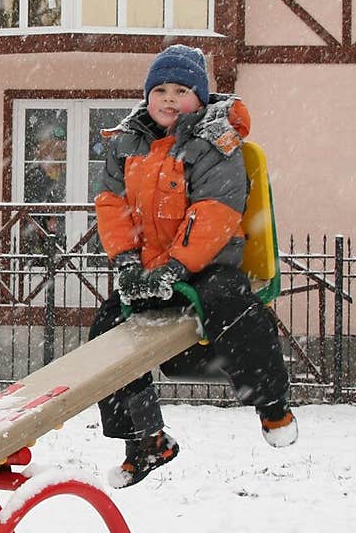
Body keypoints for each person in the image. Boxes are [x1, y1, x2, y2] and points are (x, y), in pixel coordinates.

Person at [88, 44, 298, 489]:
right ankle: (146, 440)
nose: (168, 99)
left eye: (180, 90)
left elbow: (214, 212)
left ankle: (272, 404)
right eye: (159, 90)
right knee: (108, 327)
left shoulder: (213, 143)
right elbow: (112, 206)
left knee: (231, 303)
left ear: (200, 98)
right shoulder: (126, 144)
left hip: (206, 263)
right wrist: (128, 264)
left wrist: (177, 269)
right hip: (151, 271)